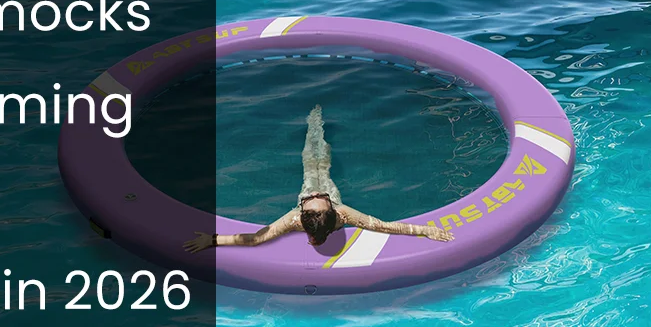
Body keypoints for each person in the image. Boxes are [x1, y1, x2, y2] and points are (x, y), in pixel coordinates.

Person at [185, 104, 454, 253]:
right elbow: (383, 226)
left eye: (314, 200)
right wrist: (424, 230)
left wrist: (212, 240)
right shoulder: (341, 213)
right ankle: (316, 127)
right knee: (320, 166)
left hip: (322, 194)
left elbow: (257, 238)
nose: (314, 194)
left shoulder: (297, 219)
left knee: (310, 163)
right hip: (329, 191)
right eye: (316, 199)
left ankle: (314, 126)